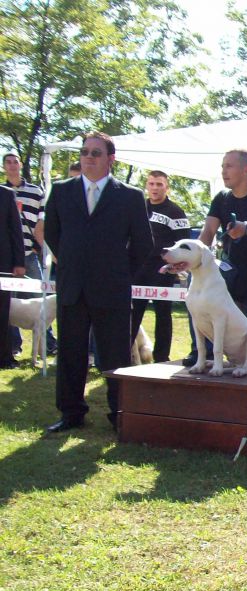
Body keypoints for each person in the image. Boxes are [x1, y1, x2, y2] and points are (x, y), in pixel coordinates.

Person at [43, 131, 153, 432]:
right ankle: (71, 414)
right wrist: (70, 262)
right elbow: (53, 234)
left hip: (112, 289)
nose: (88, 158)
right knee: (70, 353)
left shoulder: (130, 196)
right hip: (72, 287)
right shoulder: (61, 191)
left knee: (115, 355)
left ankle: (119, 414)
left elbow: (143, 244)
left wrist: (120, 274)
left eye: (95, 153)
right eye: (85, 152)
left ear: (110, 159)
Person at [196, 149, 247, 362]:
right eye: (222, 166)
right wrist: (192, 257)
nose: (223, 171)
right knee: (231, 347)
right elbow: (207, 232)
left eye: (229, 166)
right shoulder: (221, 199)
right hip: (230, 280)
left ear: (246, 170)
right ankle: (199, 354)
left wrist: (246, 228)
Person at [131, 170, 190, 363]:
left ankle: (162, 357)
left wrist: (175, 266)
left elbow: (184, 242)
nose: (155, 188)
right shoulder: (138, 207)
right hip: (139, 267)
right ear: (146, 186)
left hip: (162, 268)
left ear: (167, 187)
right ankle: (126, 354)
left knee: (163, 312)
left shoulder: (175, 211)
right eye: (151, 184)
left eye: (159, 184)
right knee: (133, 312)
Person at [3, 150, 56, 357]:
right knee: (8, 303)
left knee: (41, 299)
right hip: (6, 257)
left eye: (15, 161)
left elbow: (44, 220)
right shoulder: (1, 191)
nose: (12, 165)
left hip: (30, 252)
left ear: (20, 163)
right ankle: (13, 346)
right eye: (8, 162)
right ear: (4, 166)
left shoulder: (36, 191)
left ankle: (49, 343)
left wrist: (38, 246)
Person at [0, 184, 25, 368]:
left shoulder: (6, 195)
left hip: (3, 265)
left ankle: (4, 358)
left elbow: (16, 230)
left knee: (2, 313)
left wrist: (19, 262)